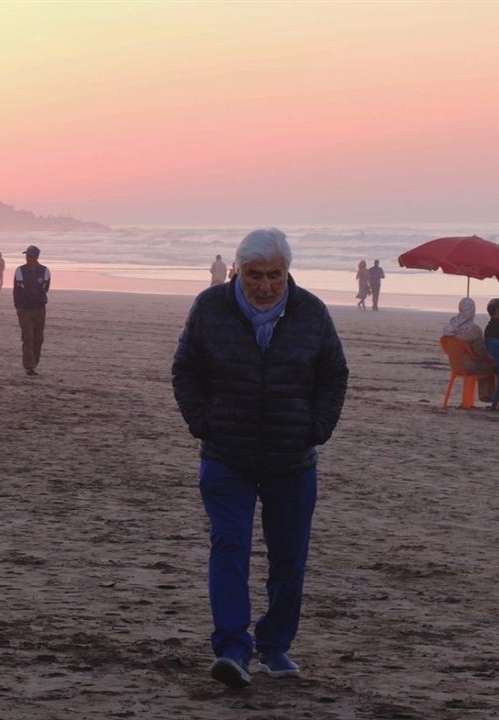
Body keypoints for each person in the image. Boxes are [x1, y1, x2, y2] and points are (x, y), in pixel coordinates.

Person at [172, 228, 348, 689]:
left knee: (290, 558)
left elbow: (334, 374)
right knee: (229, 546)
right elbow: (185, 369)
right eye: (255, 275)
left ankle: (275, 646)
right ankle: (232, 648)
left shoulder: (312, 312)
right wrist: (203, 421)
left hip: (293, 459)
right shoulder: (210, 308)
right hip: (226, 455)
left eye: (275, 274)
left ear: (287, 272)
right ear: (237, 271)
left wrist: (318, 427)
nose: (265, 285)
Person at [443, 297, 495, 402]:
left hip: (456, 366)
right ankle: (487, 395)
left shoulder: (451, 326)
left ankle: (484, 395)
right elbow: (480, 352)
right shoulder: (474, 330)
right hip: (470, 367)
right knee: (493, 366)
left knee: (487, 362)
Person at [13, 245, 51, 376]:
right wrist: (18, 306)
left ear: (36, 257)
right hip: (24, 309)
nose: (27, 258)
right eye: (26, 255)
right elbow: (16, 291)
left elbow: (45, 288)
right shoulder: (20, 271)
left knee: (38, 338)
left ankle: (34, 362)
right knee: (28, 337)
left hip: (40, 309)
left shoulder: (45, 271)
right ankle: (29, 366)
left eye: (30, 256)